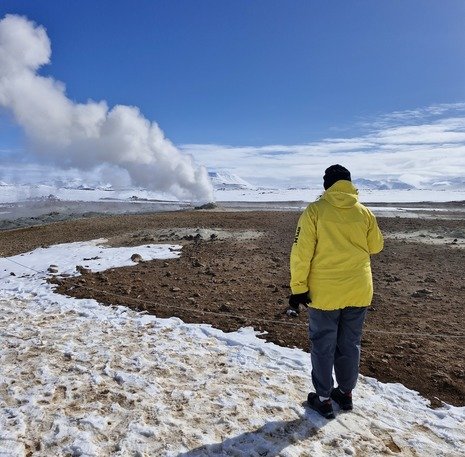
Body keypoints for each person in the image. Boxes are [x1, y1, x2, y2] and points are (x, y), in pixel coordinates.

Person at [289, 164, 384, 419]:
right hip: (358, 290)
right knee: (349, 343)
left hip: (324, 294)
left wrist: (298, 289)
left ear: (327, 184)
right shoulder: (364, 212)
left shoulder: (315, 211)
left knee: (323, 344)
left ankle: (323, 399)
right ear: (349, 183)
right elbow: (376, 246)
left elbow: (301, 253)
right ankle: (345, 393)